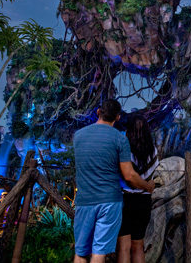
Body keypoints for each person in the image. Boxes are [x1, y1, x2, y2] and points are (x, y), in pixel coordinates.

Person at [73, 100, 155, 263]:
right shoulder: (119, 139)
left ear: (98, 112)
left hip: (84, 200)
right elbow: (129, 175)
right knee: (99, 252)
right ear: (117, 117)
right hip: (110, 202)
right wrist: (148, 186)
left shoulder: (78, 136)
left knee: (81, 252)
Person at [117, 114, 160, 263]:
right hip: (143, 201)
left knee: (123, 247)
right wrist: (148, 185)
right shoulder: (153, 150)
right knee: (138, 245)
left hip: (125, 200)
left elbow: (127, 177)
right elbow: (152, 175)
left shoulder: (123, 149)